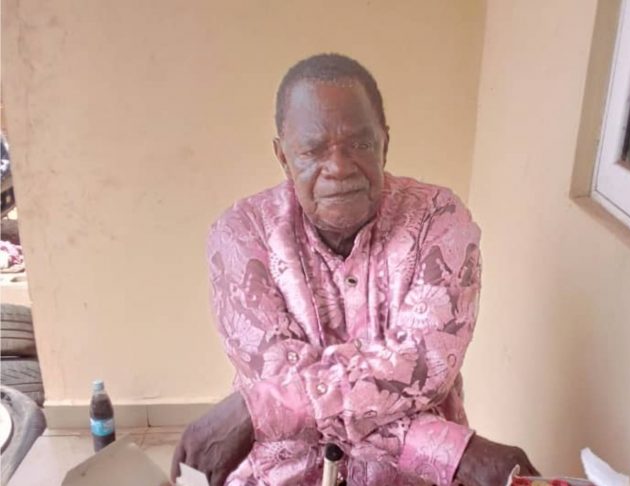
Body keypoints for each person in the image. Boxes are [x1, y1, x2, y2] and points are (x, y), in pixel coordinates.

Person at [171, 53, 538, 486]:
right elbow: (276, 376)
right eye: (312, 150)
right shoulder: (242, 234)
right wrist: (450, 451)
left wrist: (257, 412)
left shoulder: (439, 219)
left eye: (360, 144)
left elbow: (423, 369)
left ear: (385, 143)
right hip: (281, 473)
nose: (340, 168)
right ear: (283, 157)